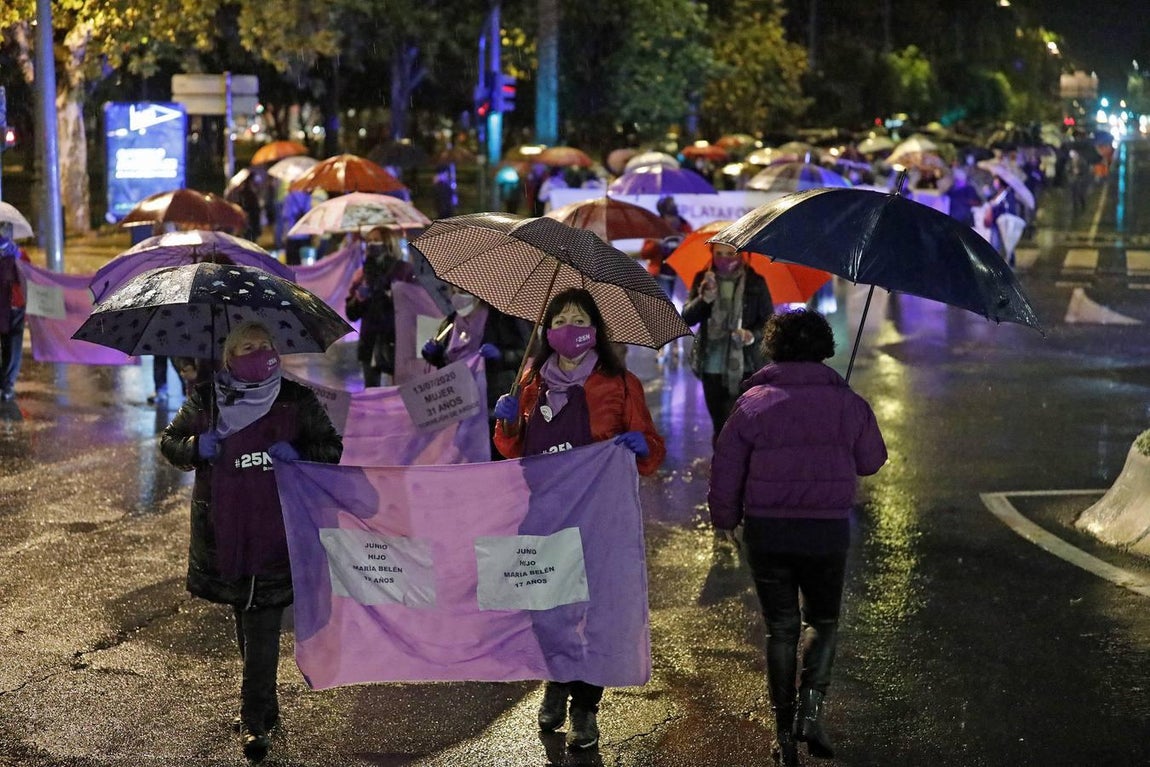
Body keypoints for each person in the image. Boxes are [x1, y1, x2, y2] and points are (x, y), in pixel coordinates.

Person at [707, 309, 887, 767]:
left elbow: (727, 467)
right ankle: (811, 710)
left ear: (774, 347)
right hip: (826, 532)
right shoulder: (847, 402)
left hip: (768, 532)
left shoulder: (753, 403)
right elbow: (871, 460)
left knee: (782, 628)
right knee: (823, 622)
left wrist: (725, 519)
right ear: (824, 348)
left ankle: (783, 732)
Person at [159, 321, 342, 764]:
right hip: (226, 530)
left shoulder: (296, 399)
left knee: (261, 615)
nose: (256, 352)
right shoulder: (208, 399)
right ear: (228, 359)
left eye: (262, 345)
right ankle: (266, 704)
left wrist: (300, 454)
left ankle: (254, 719)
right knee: (247, 611)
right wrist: (194, 447)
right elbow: (170, 441)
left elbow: (331, 448)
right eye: (245, 347)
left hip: (280, 530)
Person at [491, 287, 666, 751]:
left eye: (580, 318)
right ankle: (557, 680)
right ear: (548, 331)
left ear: (596, 329)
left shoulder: (621, 383)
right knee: (546, 609)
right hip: (544, 515)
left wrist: (642, 447)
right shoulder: (530, 383)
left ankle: (586, 707)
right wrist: (506, 422)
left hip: (598, 521)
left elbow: (651, 450)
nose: (570, 327)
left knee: (593, 613)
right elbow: (512, 449)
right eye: (561, 319)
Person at [420, 287, 532, 456]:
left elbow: (522, 354)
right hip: (461, 406)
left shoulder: (500, 318)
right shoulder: (451, 322)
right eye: (453, 291)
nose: (457, 296)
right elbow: (446, 363)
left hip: (491, 404)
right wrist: (433, 354)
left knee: (492, 455)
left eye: (462, 291)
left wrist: (501, 355)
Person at [681, 242, 774, 444]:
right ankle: (724, 470)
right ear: (712, 255)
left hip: (746, 366)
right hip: (711, 364)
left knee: (743, 425)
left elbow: (769, 321)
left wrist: (751, 335)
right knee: (720, 426)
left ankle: (743, 469)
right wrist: (703, 299)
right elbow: (687, 318)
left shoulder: (755, 282)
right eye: (719, 254)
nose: (725, 259)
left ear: (741, 255)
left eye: (731, 253)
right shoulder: (703, 279)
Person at [345, 230, 415, 387]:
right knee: (371, 393)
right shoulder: (361, 274)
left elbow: (414, 306)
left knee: (400, 393)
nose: (371, 244)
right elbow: (351, 314)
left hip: (396, 341)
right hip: (369, 341)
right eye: (368, 240)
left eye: (376, 240)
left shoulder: (404, 271)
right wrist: (359, 299)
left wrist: (394, 297)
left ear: (388, 243)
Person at [0, 222, 29, 402]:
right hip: (11, 304)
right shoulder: (16, 252)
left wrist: (17, 256)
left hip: (14, 304)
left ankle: (6, 384)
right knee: (12, 345)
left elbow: (28, 273)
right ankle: (6, 383)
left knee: (13, 344)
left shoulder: (18, 253)